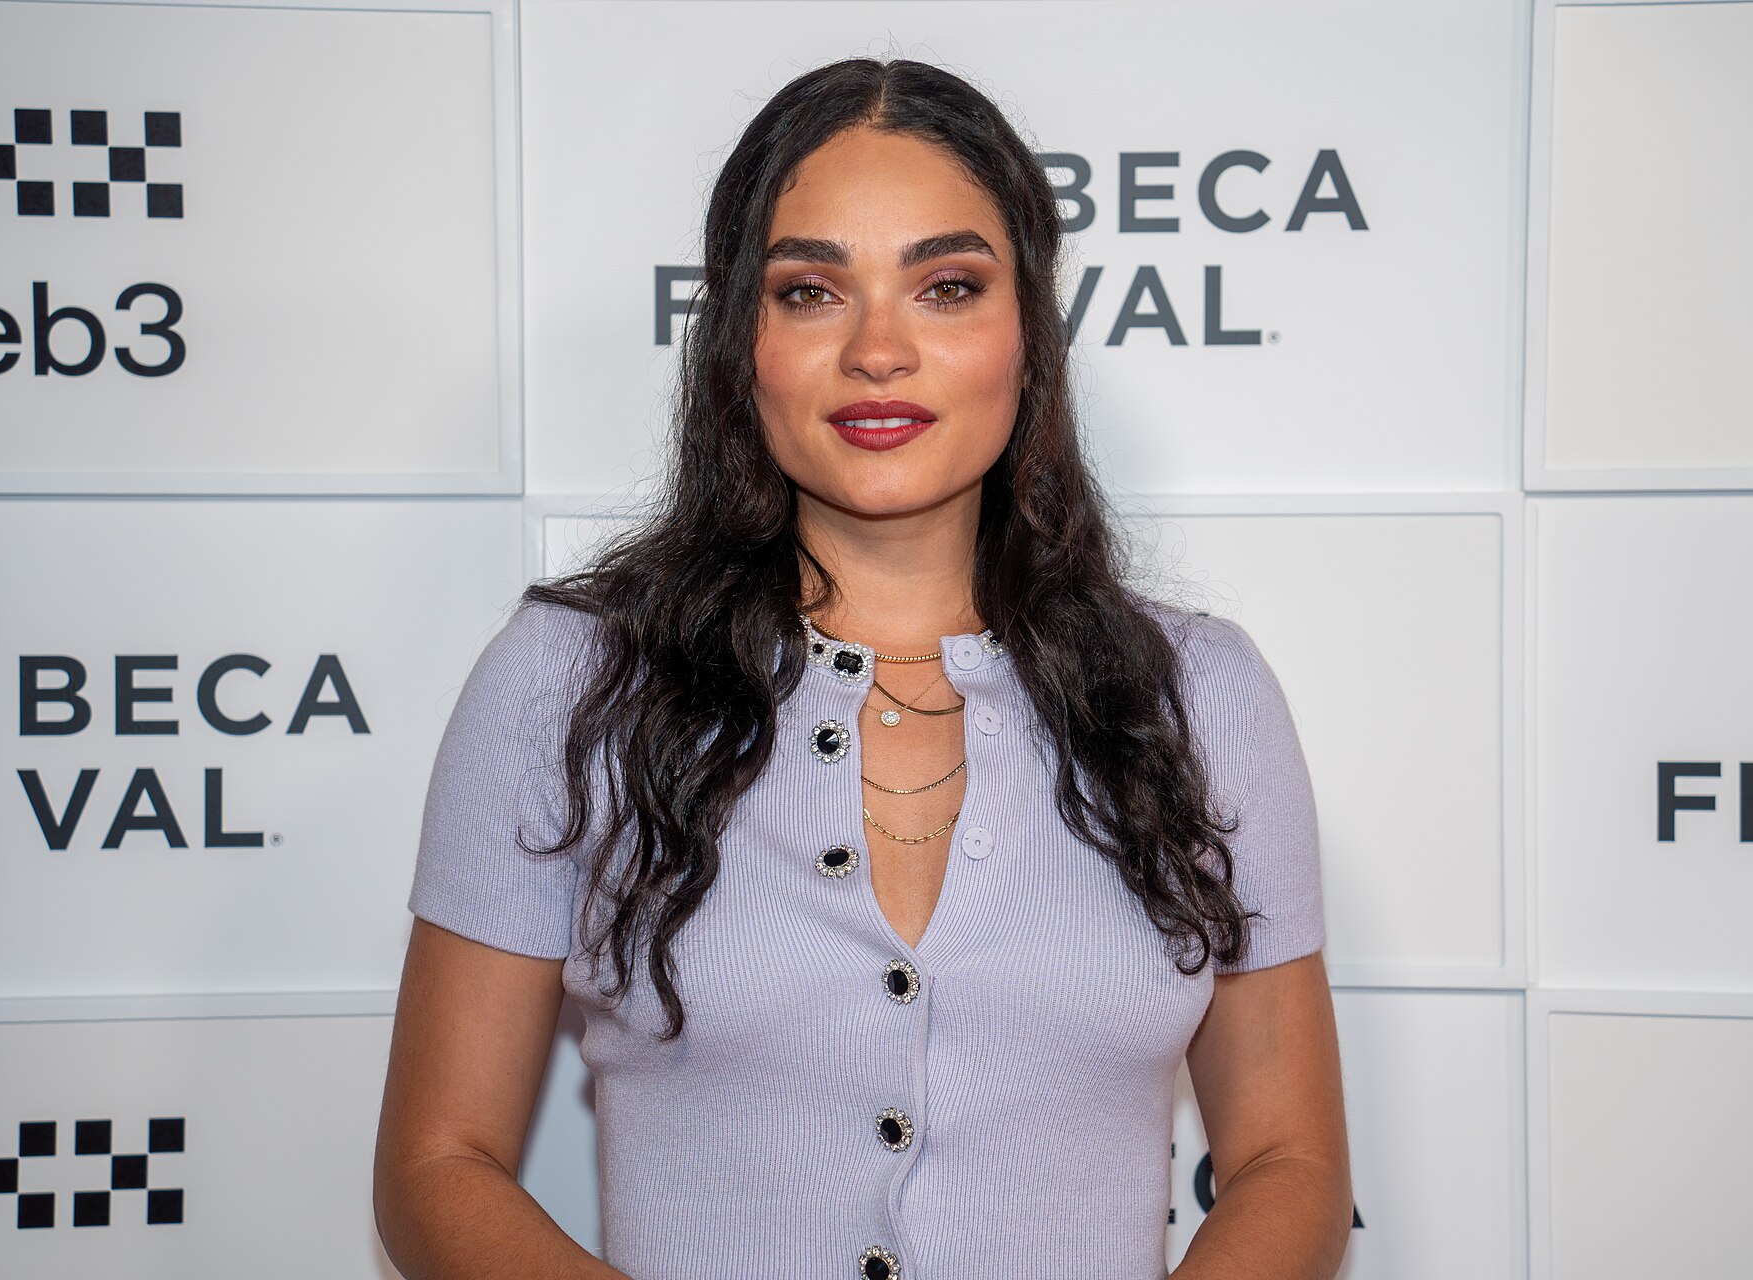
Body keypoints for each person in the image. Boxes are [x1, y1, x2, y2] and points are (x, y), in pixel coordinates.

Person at [373, 56, 1350, 1280]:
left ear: (1026, 335)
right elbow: (438, 1159)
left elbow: (1289, 1161)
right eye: (811, 291)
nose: (879, 350)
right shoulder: (569, 684)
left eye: (946, 287)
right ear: (742, 340)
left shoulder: (1198, 695)